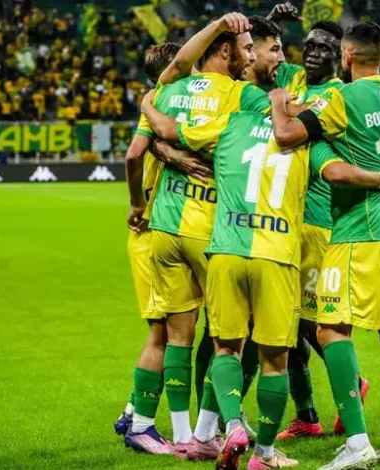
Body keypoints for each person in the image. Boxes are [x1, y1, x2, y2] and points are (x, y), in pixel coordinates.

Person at [140, 87, 380, 470]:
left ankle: (232, 426)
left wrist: (147, 105)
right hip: (277, 255)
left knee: (226, 349)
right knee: (274, 361)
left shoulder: (229, 125)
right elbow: (337, 173)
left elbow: (168, 130)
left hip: (226, 250)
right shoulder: (304, 141)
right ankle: (264, 453)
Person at [270, 21, 380, 469]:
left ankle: (358, 444)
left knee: (329, 329)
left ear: (346, 57)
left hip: (360, 225)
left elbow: (287, 135)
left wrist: (279, 103)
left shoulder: (342, 97)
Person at [138, 12, 272, 459]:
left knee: (178, 334)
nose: (250, 57)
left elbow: (152, 133)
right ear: (225, 50)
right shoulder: (240, 95)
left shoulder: (170, 88)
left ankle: (179, 436)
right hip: (211, 229)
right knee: (229, 337)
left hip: (164, 225)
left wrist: (159, 135)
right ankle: (205, 433)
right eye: (246, 49)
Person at [116, 42, 212, 455]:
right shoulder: (163, 103)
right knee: (164, 332)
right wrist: (138, 204)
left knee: (175, 329)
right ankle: (141, 424)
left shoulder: (163, 109)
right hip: (155, 228)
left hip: (170, 226)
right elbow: (134, 154)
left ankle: (134, 410)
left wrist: (167, 150)